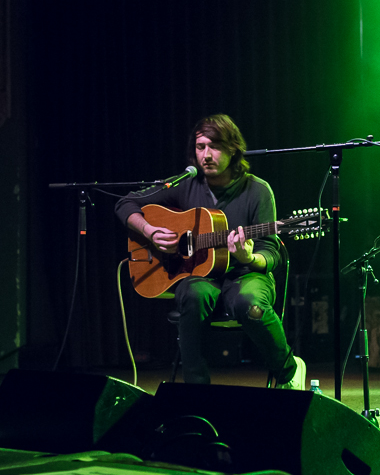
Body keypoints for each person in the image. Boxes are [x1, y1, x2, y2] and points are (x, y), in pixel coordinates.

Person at [115, 114, 306, 389]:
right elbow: (126, 203)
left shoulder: (257, 191)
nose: (205, 155)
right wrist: (150, 231)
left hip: (245, 273)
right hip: (200, 276)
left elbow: (272, 254)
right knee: (193, 294)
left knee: (249, 303)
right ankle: (197, 391)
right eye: (200, 146)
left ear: (232, 149)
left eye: (214, 146)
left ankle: (288, 370)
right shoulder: (185, 184)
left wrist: (249, 257)